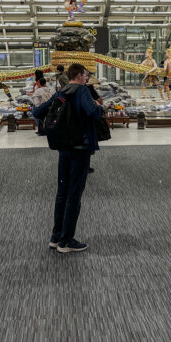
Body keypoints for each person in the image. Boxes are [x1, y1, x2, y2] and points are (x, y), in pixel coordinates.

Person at [33, 63, 102, 254]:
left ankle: (56, 238)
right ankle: (66, 241)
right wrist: (97, 106)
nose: (87, 78)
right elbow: (92, 113)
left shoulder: (61, 92)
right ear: (80, 75)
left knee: (62, 192)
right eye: (86, 75)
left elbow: (37, 112)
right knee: (74, 194)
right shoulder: (82, 91)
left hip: (63, 149)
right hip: (79, 149)